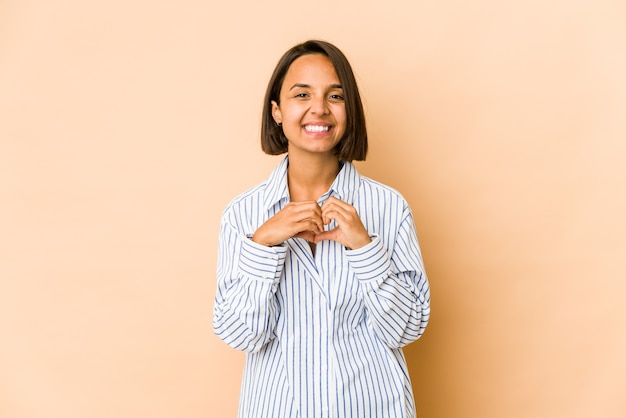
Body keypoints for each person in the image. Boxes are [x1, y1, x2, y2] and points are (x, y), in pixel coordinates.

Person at [213, 39, 431, 418]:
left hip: (375, 407)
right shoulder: (243, 214)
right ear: (277, 112)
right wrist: (262, 244)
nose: (319, 108)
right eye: (302, 94)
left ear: (350, 111)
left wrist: (365, 250)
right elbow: (238, 334)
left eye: (335, 95)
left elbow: (407, 329)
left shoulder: (389, 208)